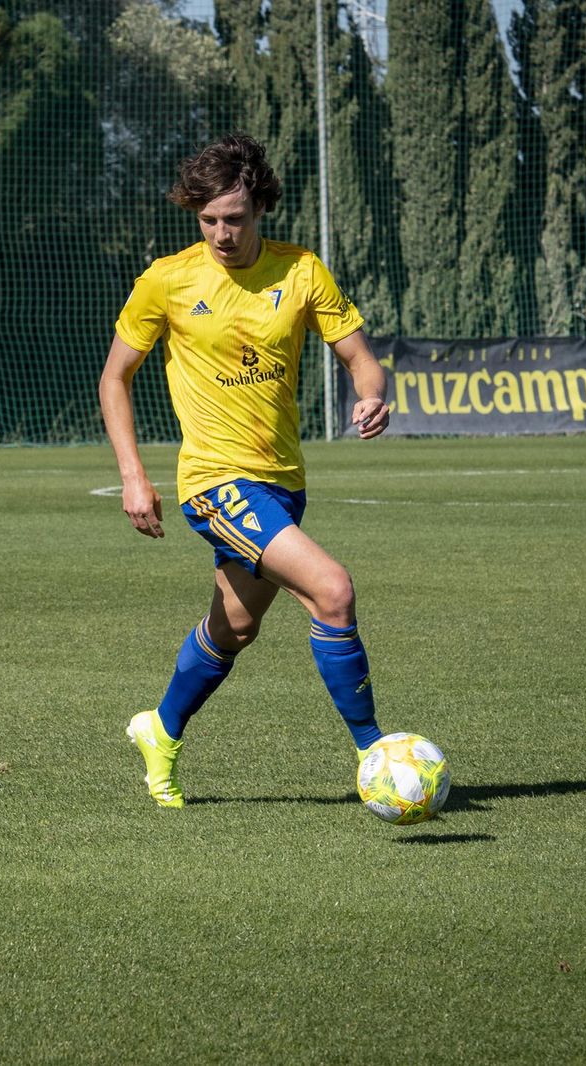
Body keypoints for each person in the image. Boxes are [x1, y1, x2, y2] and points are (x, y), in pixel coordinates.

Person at [98, 134, 392, 809]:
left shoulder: (302, 273)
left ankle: (160, 730)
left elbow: (359, 358)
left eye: (235, 218)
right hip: (214, 481)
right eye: (208, 220)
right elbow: (115, 378)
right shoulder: (167, 280)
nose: (222, 234)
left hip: (283, 482)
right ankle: (376, 753)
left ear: (260, 207)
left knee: (234, 627)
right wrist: (133, 476)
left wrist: (373, 394)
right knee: (333, 590)